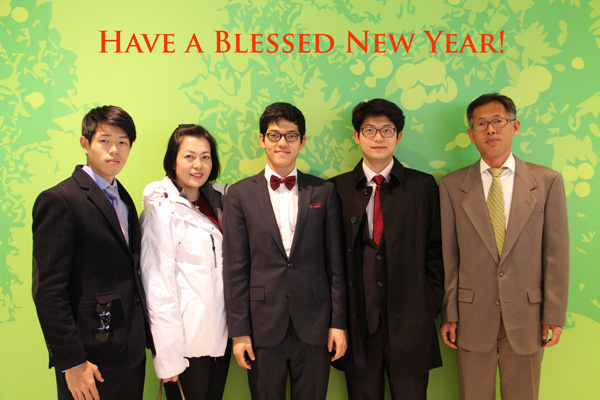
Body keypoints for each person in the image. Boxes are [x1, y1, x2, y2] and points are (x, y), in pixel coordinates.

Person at [439, 93, 569, 400]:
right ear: (471, 133)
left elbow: (556, 253)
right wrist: (450, 311)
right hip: (471, 317)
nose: (491, 130)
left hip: (528, 315)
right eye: (481, 124)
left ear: (515, 126)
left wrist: (553, 312)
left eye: (498, 121)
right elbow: (449, 256)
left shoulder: (547, 181)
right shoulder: (451, 185)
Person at [222, 102, 347, 400]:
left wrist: (338, 323)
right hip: (262, 326)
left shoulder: (323, 191)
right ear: (262, 139)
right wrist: (239, 332)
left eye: (291, 136)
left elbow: (335, 264)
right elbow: (235, 268)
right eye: (274, 135)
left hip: (316, 324)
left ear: (302, 141)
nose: (282, 143)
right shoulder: (239, 194)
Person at [32, 105, 153, 400]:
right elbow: (48, 291)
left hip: (130, 352)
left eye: (123, 142)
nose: (115, 150)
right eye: (105, 140)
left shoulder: (123, 198)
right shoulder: (59, 199)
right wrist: (71, 361)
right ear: (85, 144)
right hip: (88, 358)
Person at [330, 98, 444, 400]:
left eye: (387, 130)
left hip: (411, 325)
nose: (378, 137)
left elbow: (436, 250)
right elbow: (329, 259)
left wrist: (428, 304)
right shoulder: (336, 189)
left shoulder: (422, 186)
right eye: (369, 130)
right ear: (357, 136)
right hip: (358, 325)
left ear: (399, 136)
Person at [139, 124, 231, 400]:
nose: (198, 165)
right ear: (173, 161)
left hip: (220, 340)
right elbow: (158, 288)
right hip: (185, 348)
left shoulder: (219, 203)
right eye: (189, 156)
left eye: (205, 157)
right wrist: (168, 357)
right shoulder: (160, 211)